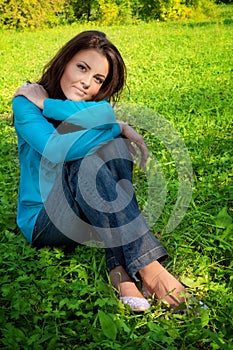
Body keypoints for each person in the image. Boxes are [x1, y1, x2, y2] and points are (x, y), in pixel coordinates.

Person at [12, 30, 189, 312]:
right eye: (82, 67)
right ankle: (150, 268)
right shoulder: (25, 101)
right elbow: (55, 149)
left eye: (98, 79)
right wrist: (114, 127)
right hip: (45, 220)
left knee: (112, 146)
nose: (86, 83)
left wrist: (114, 127)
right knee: (85, 157)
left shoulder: (94, 108)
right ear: (64, 61)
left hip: (84, 214)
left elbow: (105, 113)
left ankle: (118, 267)